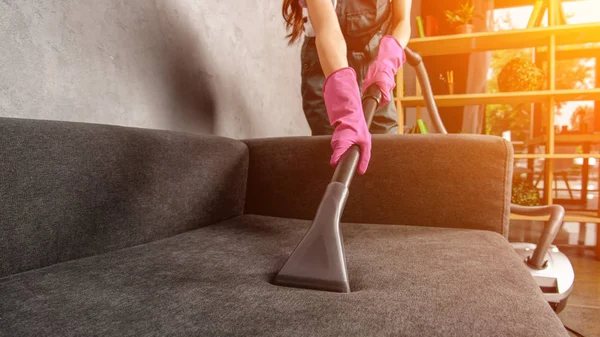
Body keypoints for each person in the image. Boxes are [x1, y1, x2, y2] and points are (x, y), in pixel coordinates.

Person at [282, 0, 411, 175]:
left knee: (386, 147)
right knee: (337, 154)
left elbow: (402, 21)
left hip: (373, 57)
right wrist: (346, 109)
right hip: (326, 64)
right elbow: (328, 29)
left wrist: (388, 60)